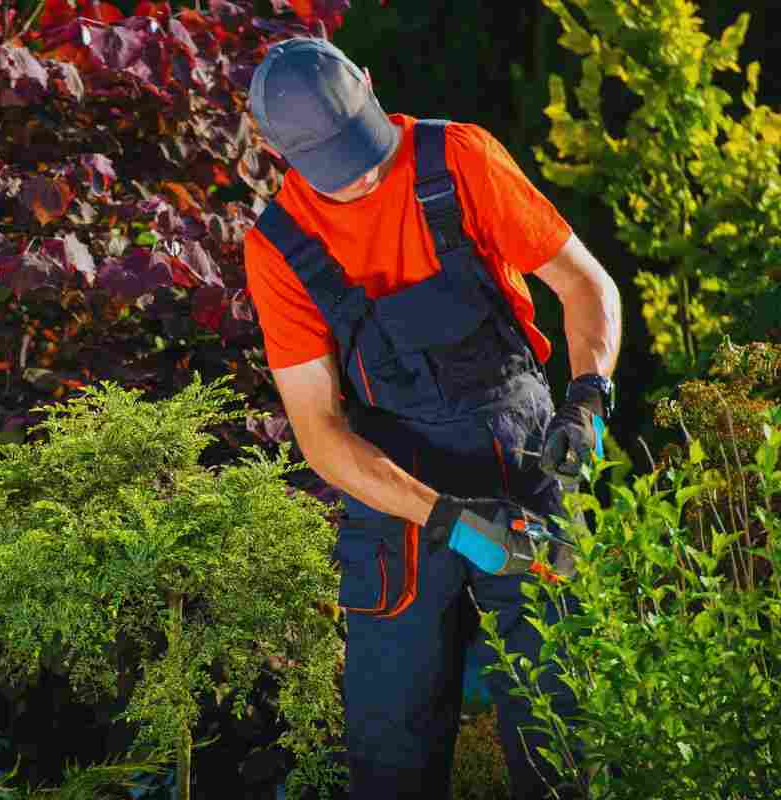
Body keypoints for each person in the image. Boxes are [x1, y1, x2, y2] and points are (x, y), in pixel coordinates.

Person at [243, 38, 622, 799]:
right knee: (392, 749)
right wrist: (448, 519)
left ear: (374, 89)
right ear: (267, 147)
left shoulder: (460, 159)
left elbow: (586, 287)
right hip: (399, 505)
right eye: (331, 164)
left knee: (563, 728)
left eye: (363, 149)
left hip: (526, 465)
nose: (360, 179)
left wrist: (587, 398)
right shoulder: (279, 250)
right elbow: (320, 433)